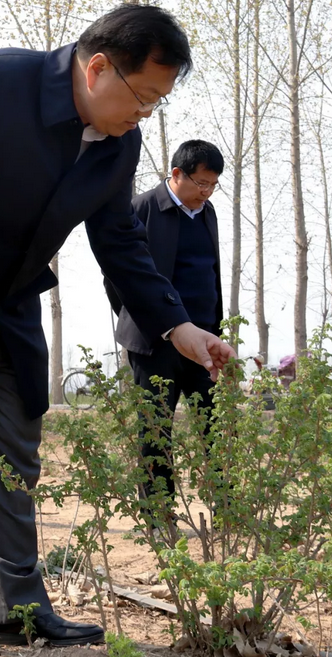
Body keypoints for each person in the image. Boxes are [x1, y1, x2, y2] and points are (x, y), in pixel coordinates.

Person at [0, 5, 236, 657]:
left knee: (14, 456)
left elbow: (120, 244)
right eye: (141, 96)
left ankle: (13, 611)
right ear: (96, 68)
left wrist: (177, 327)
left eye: (158, 103)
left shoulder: (119, 143)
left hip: (10, 305)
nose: (144, 114)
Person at [106, 139, 223, 510]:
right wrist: (141, 322)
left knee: (214, 429)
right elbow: (117, 277)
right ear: (176, 174)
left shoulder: (208, 213)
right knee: (156, 433)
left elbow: (212, 275)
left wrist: (215, 327)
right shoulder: (141, 207)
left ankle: (227, 510)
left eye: (212, 185)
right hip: (153, 344)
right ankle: (159, 516)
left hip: (202, 340)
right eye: (200, 183)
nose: (205, 192)